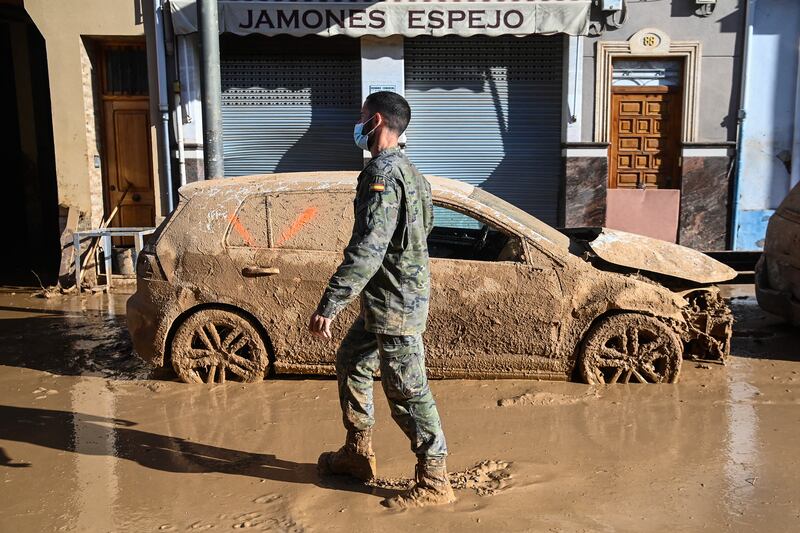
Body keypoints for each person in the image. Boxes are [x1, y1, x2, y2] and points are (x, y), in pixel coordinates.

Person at [307, 91, 455, 509]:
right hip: (388, 298)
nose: (357, 126)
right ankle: (357, 453)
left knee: (407, 389)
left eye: (360, 118)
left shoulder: (384, 175)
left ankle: (434, 478)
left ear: (375, 122)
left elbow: (369, 248)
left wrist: (330, 304)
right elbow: (424, 229)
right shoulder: (413, 173)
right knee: (352, 360)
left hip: (395, 303)